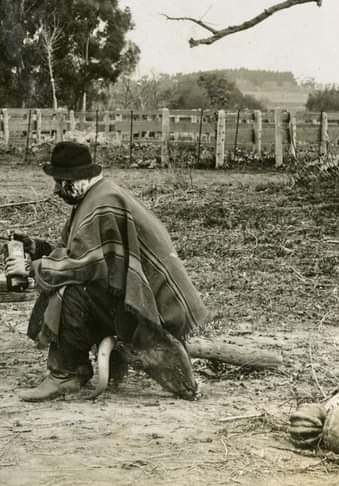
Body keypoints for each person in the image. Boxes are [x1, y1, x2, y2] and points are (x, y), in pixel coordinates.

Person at [17, 140, 210, 402]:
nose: (56, 190)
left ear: (74, 181)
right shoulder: (100, 194)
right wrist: (40, 249)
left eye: (59, 182)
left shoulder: (102, 202)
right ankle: (81, 367)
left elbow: (84, 266)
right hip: (149, 297)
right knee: (72, 285)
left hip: (153, 309)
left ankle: (66, 373)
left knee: (70, 292)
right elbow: (85, 253)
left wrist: (35, 268)